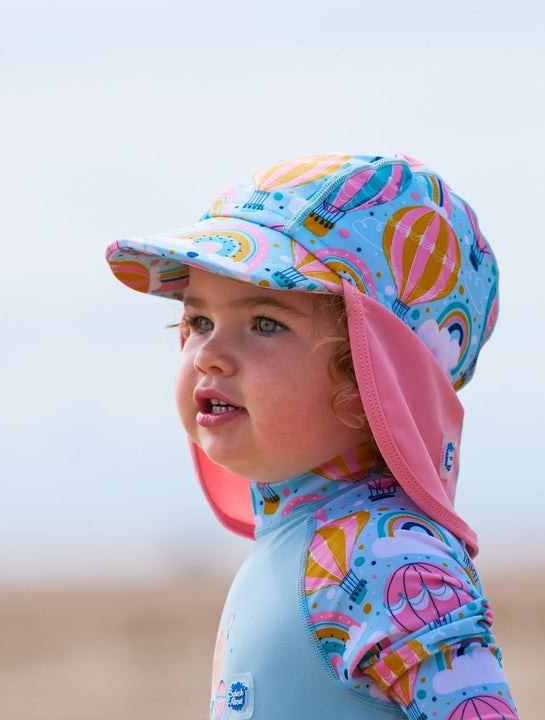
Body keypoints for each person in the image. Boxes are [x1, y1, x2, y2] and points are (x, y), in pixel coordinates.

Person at [106, 153, 518, 720]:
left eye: (265, 323)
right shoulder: (307, 541)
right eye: (198, 321)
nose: (209, 355)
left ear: (370, 378)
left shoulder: (386, 554)